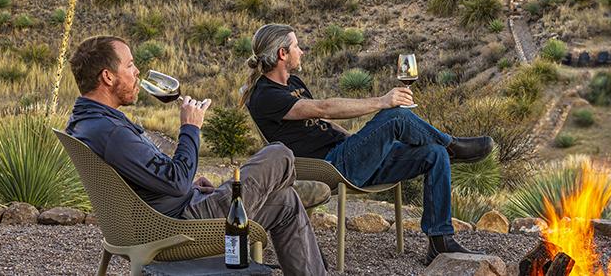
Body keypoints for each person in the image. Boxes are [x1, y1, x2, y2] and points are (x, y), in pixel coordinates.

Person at [64, 36, 329, 276]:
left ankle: (283, 188)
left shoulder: (87, 121)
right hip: (182, 226)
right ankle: (284, 180)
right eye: (130, 66)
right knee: (279, 153)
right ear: (108, 77)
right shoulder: (112, 133)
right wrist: (190, 128)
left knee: (286, 201)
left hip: (169, 212)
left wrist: (189, 186)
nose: (137, 73)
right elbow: (176, 180)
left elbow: (157, 180)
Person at [241, 24, 495, 265]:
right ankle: (454, 146)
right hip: (327, 167)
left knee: (434, 154)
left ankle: (440, 241)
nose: (302, 51)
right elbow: (323, 108)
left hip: (346, 154)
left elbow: (322, 122)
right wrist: (383, 101)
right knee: (394, 115)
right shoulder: (265, 95)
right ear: (282, 53)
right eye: (297, 46)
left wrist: (360, 143)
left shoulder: (293, 84)